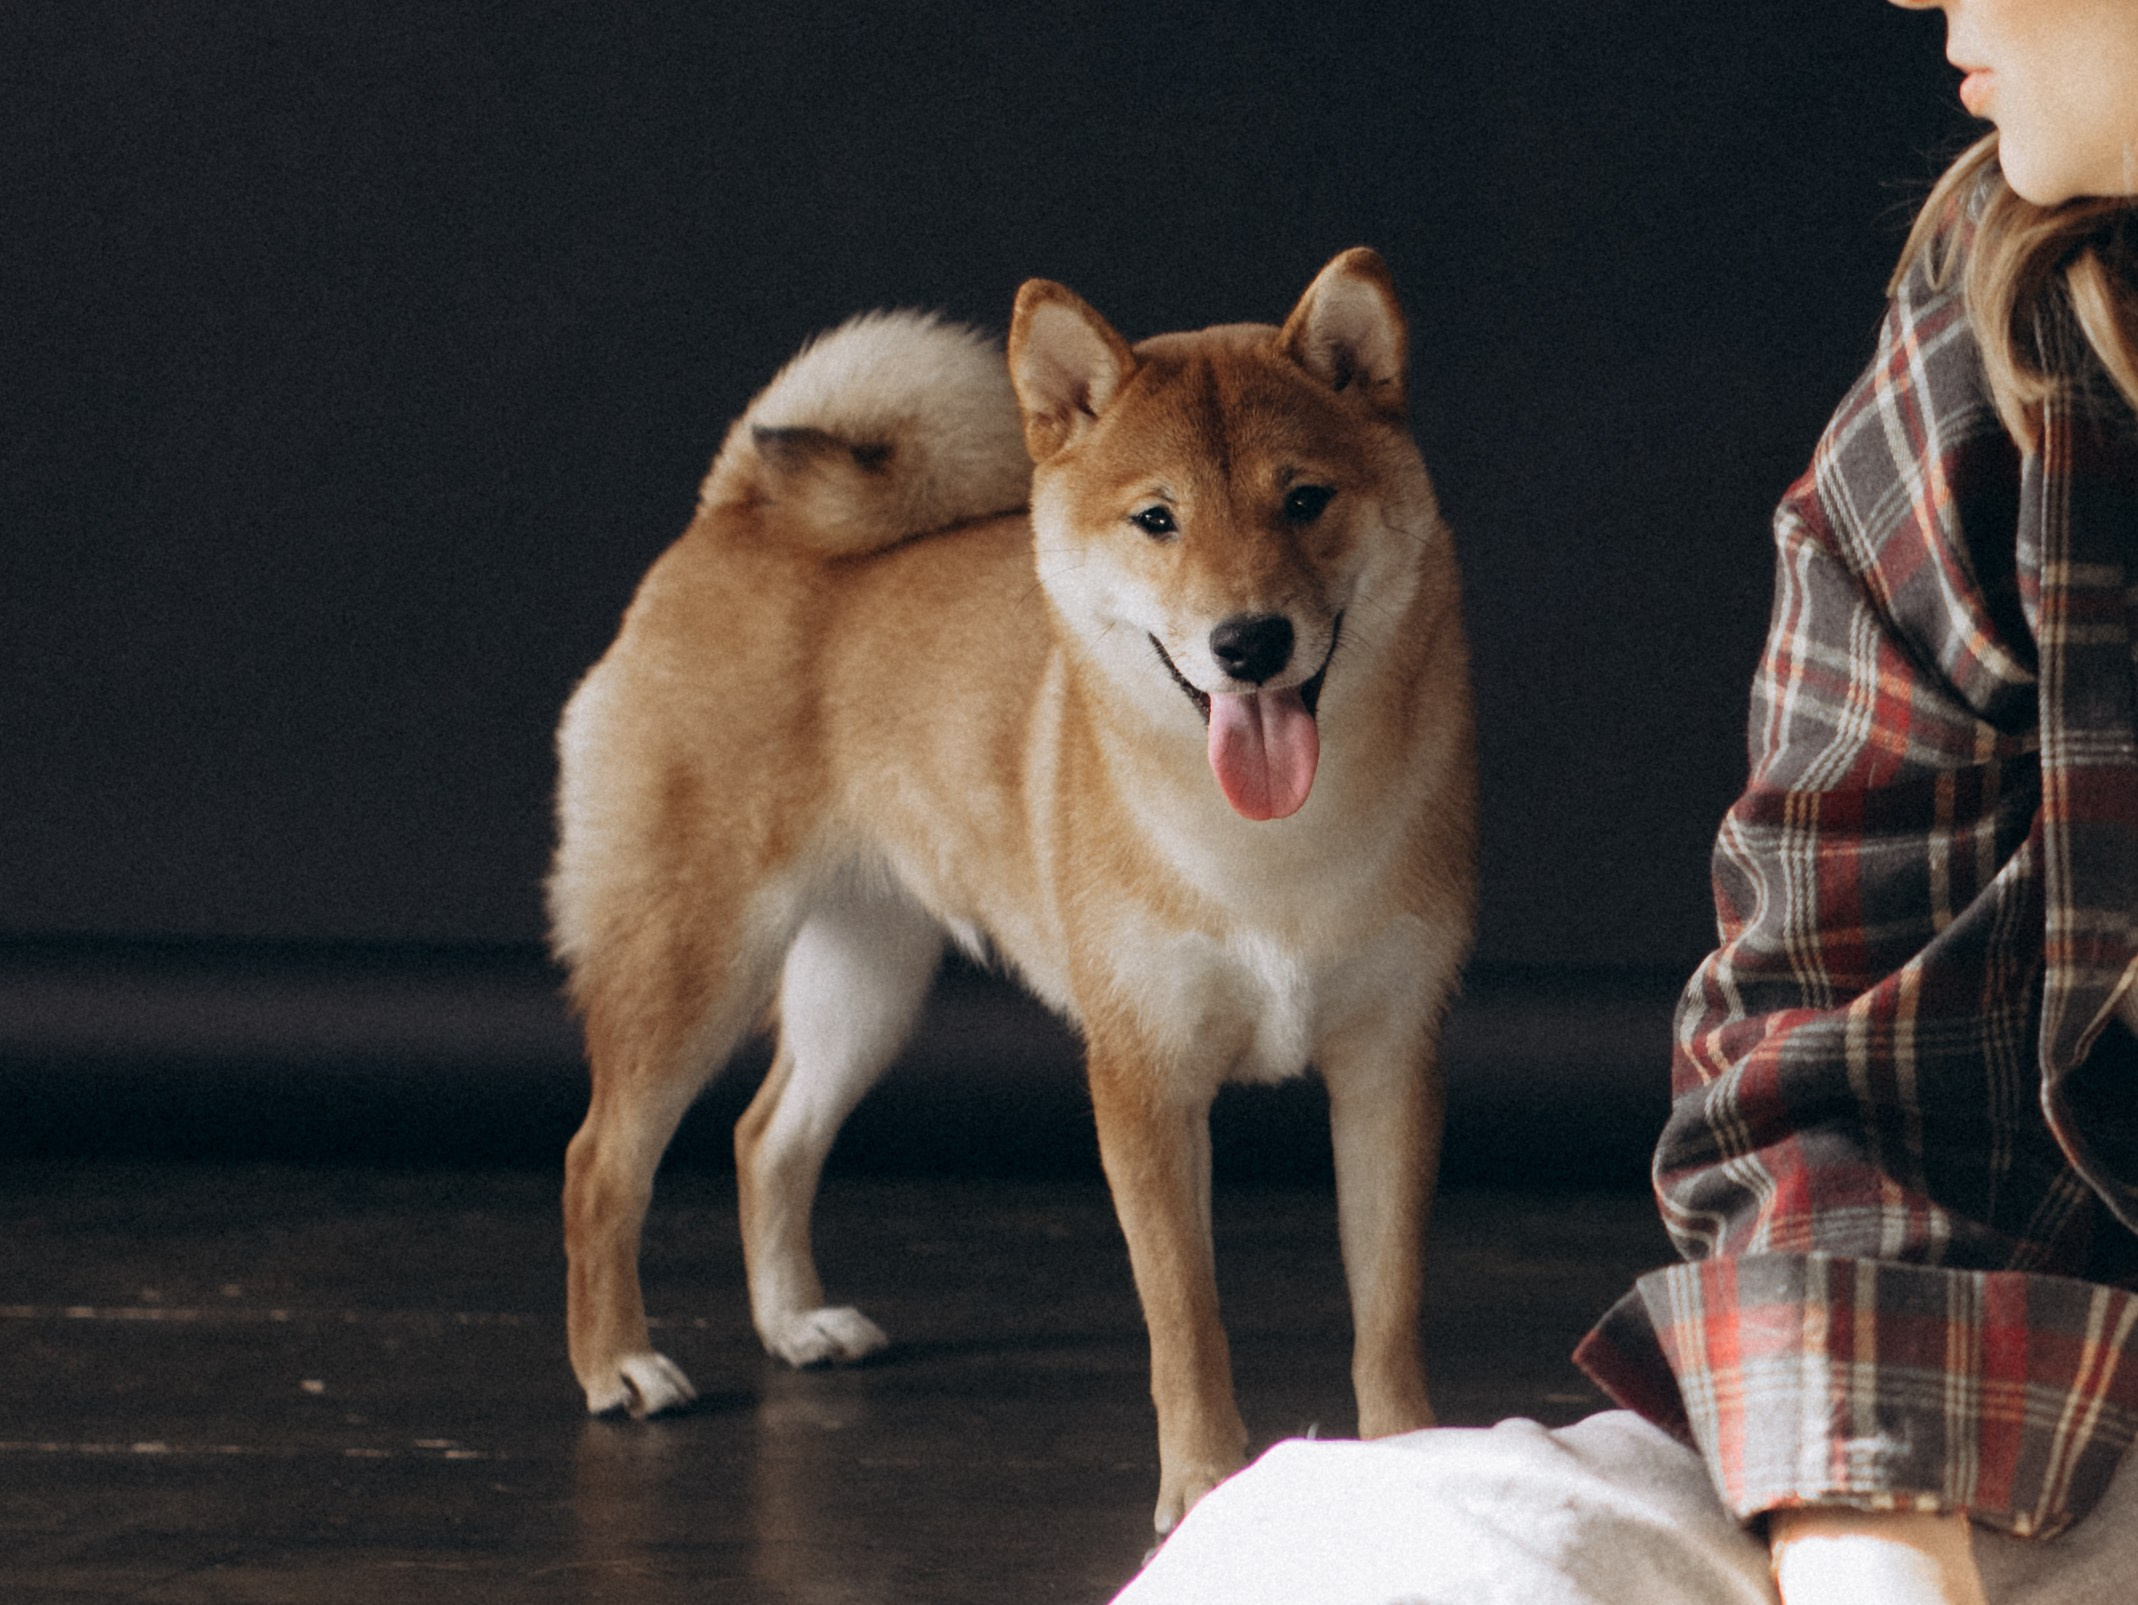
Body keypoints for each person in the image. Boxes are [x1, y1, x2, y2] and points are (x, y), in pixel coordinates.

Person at [1118, 3, 2138, 1601]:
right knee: (1332, 1558)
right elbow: (1838, 1056)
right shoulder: (1990, 391)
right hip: (2046, 1404)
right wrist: (1871, 1532)